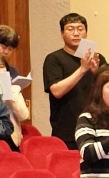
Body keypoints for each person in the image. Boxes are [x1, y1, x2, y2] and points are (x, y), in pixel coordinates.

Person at [41, 12, 99, 147]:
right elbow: (56, 91)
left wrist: (96, 74)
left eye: (80, 29)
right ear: (62, 33)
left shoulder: (96, 58)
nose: (76, 33)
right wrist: (82, 69)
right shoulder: (54, 59)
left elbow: (106, 90)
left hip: (95, 128)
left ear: (86, 33)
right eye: (70, 29)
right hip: (66, 132)